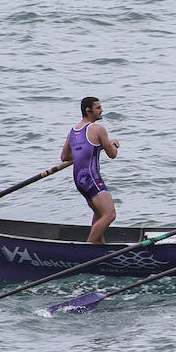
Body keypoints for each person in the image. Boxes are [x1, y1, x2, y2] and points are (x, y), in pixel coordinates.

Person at [61, 96, 120, 244]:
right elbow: (112, 154)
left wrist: (88, 151)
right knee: (110, 214)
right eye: (98, 108)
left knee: (100, 215)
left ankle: (100, 249)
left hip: (79, 179)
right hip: (91, 177)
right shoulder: (98, 129)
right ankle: (87, 249)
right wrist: (114, 144)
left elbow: (65, 157)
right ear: (88, 110)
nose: (102, 110)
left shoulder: (73, 131)